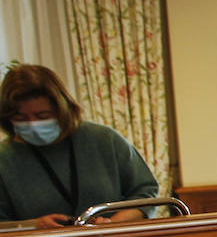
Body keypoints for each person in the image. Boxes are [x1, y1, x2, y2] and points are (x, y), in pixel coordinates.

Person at [0, 64, 159, 228]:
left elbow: (146, 193)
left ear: (62, 110)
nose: (32, 125)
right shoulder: (4, 159)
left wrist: (113, 223)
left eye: (43, 116)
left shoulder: (103, 139)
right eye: (20, 118)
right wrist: (32, 226)